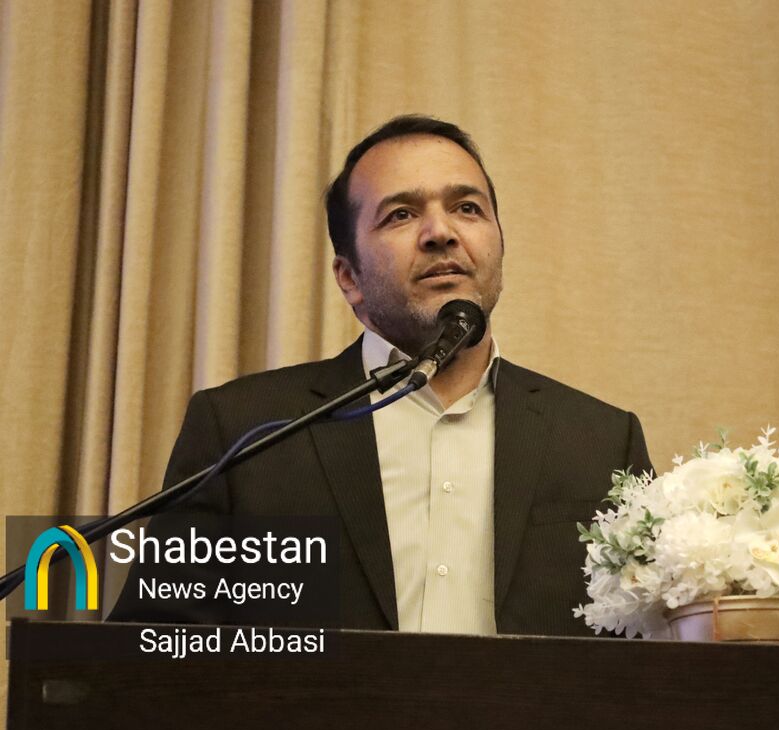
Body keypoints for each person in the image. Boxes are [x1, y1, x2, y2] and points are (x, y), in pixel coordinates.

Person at [110, 115, 652, 636]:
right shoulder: (246, 432)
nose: (440, 232)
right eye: (400, 215)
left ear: (500, 248)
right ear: (349, 277)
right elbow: (157, 646)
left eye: (467, 208)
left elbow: (648, 651)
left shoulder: (600, 441)